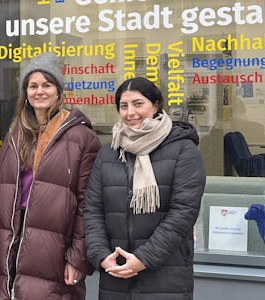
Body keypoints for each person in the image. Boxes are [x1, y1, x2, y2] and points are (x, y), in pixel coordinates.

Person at [0, 52, 101, 299]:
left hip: (53, 246)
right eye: (33, 86)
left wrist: (78, 257)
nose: (40, 91)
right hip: (12, 241)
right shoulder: (16, 133)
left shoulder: (81, 138)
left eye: (47, 85)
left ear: (58, 90)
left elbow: (88, 205)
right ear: (25, 92)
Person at [83, 77, 206, 299]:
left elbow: (183, 213)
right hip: (116, 273)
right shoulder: (108, 153)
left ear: (156, 105)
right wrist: (101, 255)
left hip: (166, 273)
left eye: (138, 103)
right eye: (123, 105)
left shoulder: (183, 150)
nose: (130, 112)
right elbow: (92, 210)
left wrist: (143, 259)